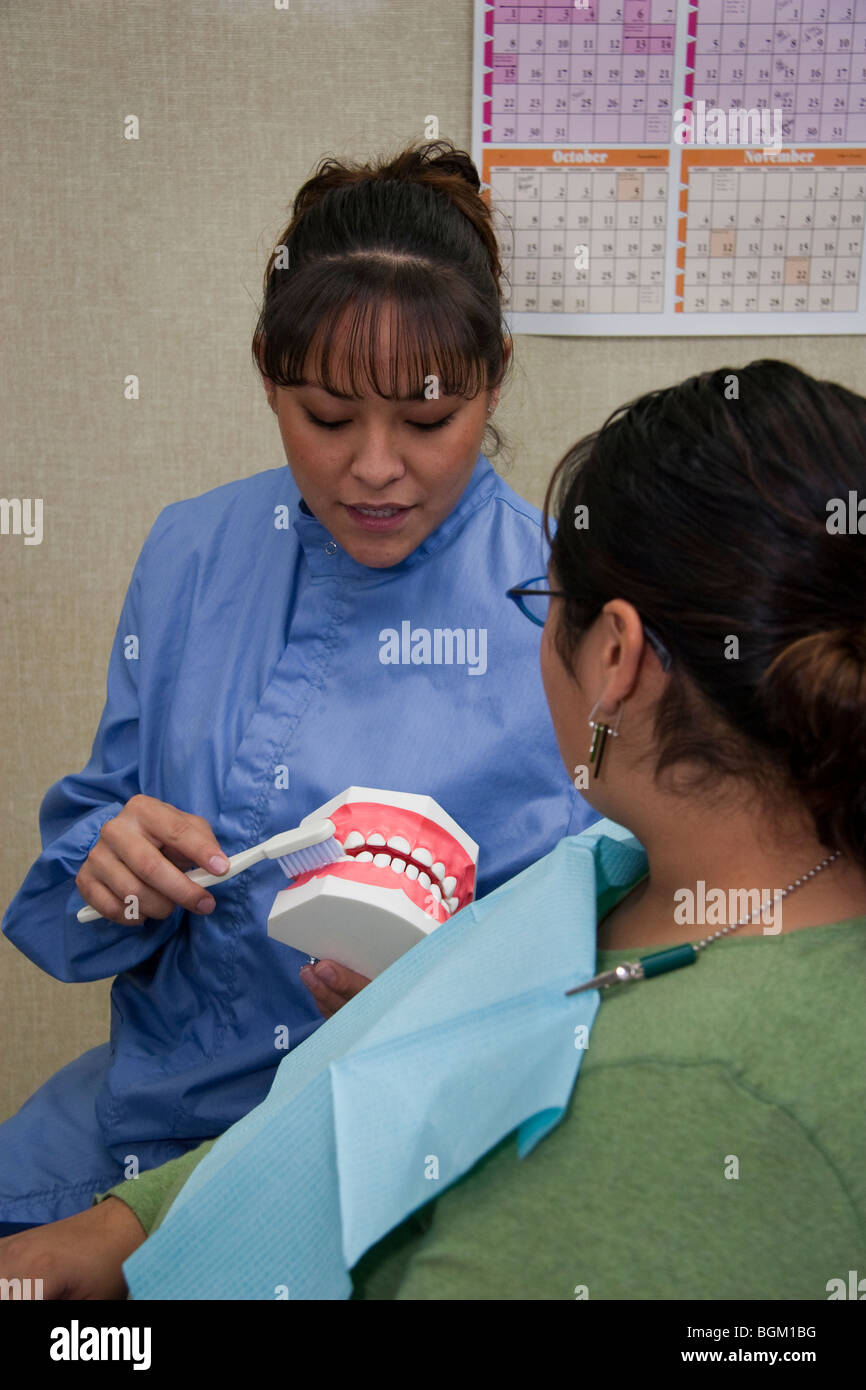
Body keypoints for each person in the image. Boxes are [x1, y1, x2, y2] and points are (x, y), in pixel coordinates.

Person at [3, 358, 862, 1300]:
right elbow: (333, 1115)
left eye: (548, 607)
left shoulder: (671, 1099)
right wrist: (134, 1223)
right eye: (329, 415)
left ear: (611, 658)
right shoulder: (605, 873)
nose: (376, 469)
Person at [0, 140, 596, 1232]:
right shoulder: (191, 552)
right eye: (325, 417)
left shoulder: (565, 611)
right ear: (266, 374)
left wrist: (436, 1017)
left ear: (493, 376)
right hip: (143, 1116)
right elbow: (92, 854)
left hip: (402, 1151)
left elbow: (605, 977)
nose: (375, 467)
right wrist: (114, 872)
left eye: (426, 421)